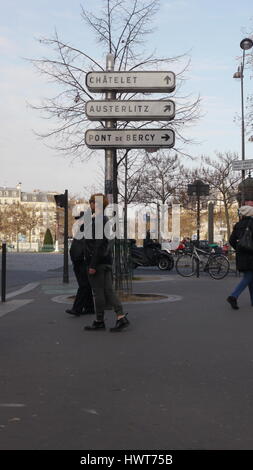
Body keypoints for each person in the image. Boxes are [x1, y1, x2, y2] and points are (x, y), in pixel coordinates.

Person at [83, 193, 129, 332]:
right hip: (106, 261)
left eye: (91, 202)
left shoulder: (98, 220)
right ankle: (121, 317)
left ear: (95, 204)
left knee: (98, 293)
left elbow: (98, 244)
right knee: (109, 291)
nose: (89, 204)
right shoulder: (105, 219)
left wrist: (92, 265)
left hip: (97, 262)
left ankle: (99, 320)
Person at [66, 206, 95, 317]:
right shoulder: (86, 224)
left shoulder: (83, 225)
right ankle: (89, 307)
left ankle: (77, 308)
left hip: (80, 258)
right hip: (80, 258)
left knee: (83, 284)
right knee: (85, 284)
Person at [227, 205, 253, 310]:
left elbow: (231, 240)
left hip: (241, 255)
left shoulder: (237, 225)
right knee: (248, 277)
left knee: (250, 277)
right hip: (251, 255)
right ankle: (233, 296)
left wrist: (239, 248)